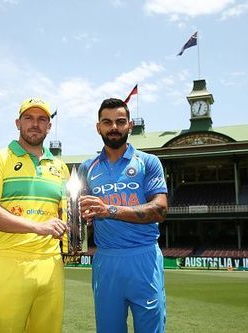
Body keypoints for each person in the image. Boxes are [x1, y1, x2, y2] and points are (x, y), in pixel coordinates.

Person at [0, 97, 70, 333]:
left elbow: (66, 216)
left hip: (51, 264)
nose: (35, 124)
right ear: (18, 123)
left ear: (49, 126)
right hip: (8, 260)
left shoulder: (61, 168)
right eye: (29, 118)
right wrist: (38, 227)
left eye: (42, 119)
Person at [79, 98, 168, 333]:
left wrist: (109, 210)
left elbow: (160, 209)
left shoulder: (148, 162)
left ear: (130, 125)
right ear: (98, 127)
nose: (114, 128)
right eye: (107, 122)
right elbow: (84, 219)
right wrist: (83, 219)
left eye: (120, 121)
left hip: (144, 258)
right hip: (106, 260)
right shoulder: (87, 168)